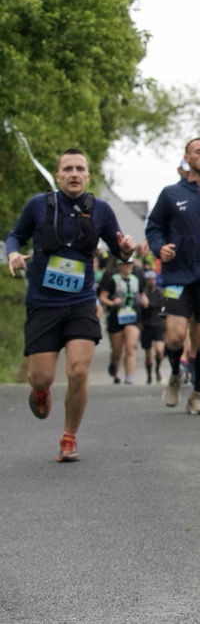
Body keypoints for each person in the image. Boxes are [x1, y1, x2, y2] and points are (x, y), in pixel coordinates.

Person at [5, 148, 137, 462]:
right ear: (58, 175)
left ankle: (69, 437)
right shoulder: (38, 205)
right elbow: (15, 236)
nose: (74, 174)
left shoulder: (101, 210)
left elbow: (120, 252)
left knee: (78, 372)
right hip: (43, 304)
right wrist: (13, 253)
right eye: (68, 169)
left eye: (80, 168)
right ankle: (40, 391)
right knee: (42, 377)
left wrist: (126, 250)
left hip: (80, 302)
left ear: (88, 176)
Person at [145, 138, 200, 415]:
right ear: (187, 157)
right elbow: (153, 227)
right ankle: (175, 375)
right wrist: (159, 247)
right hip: (178, 277)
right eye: (199, 152)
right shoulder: (171, 193)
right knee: (175, 337)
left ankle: (197, 394)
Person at [99, 258, 146, 384]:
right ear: (119, 266)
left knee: (131, 347)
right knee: (117, 351)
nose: (128, 266)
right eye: (125, 264)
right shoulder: (113, 280)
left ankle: (129, 376)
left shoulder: (136, 279)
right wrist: (112, 302)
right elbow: (103, 297)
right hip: (117, 317)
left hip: (133, 317)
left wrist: (144, 300)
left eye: (130, 264)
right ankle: (115, 367)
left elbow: (142, 294)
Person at [138, 268, 166, 384]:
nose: (152, 281)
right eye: (149, 279)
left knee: (160, 351)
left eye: (153, 279)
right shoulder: (143, 294)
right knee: (148, 355)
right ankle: (149, 375)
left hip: (158, 324)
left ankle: (158, 369)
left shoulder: (160, 293)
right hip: (146, 325)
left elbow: (164, 308)